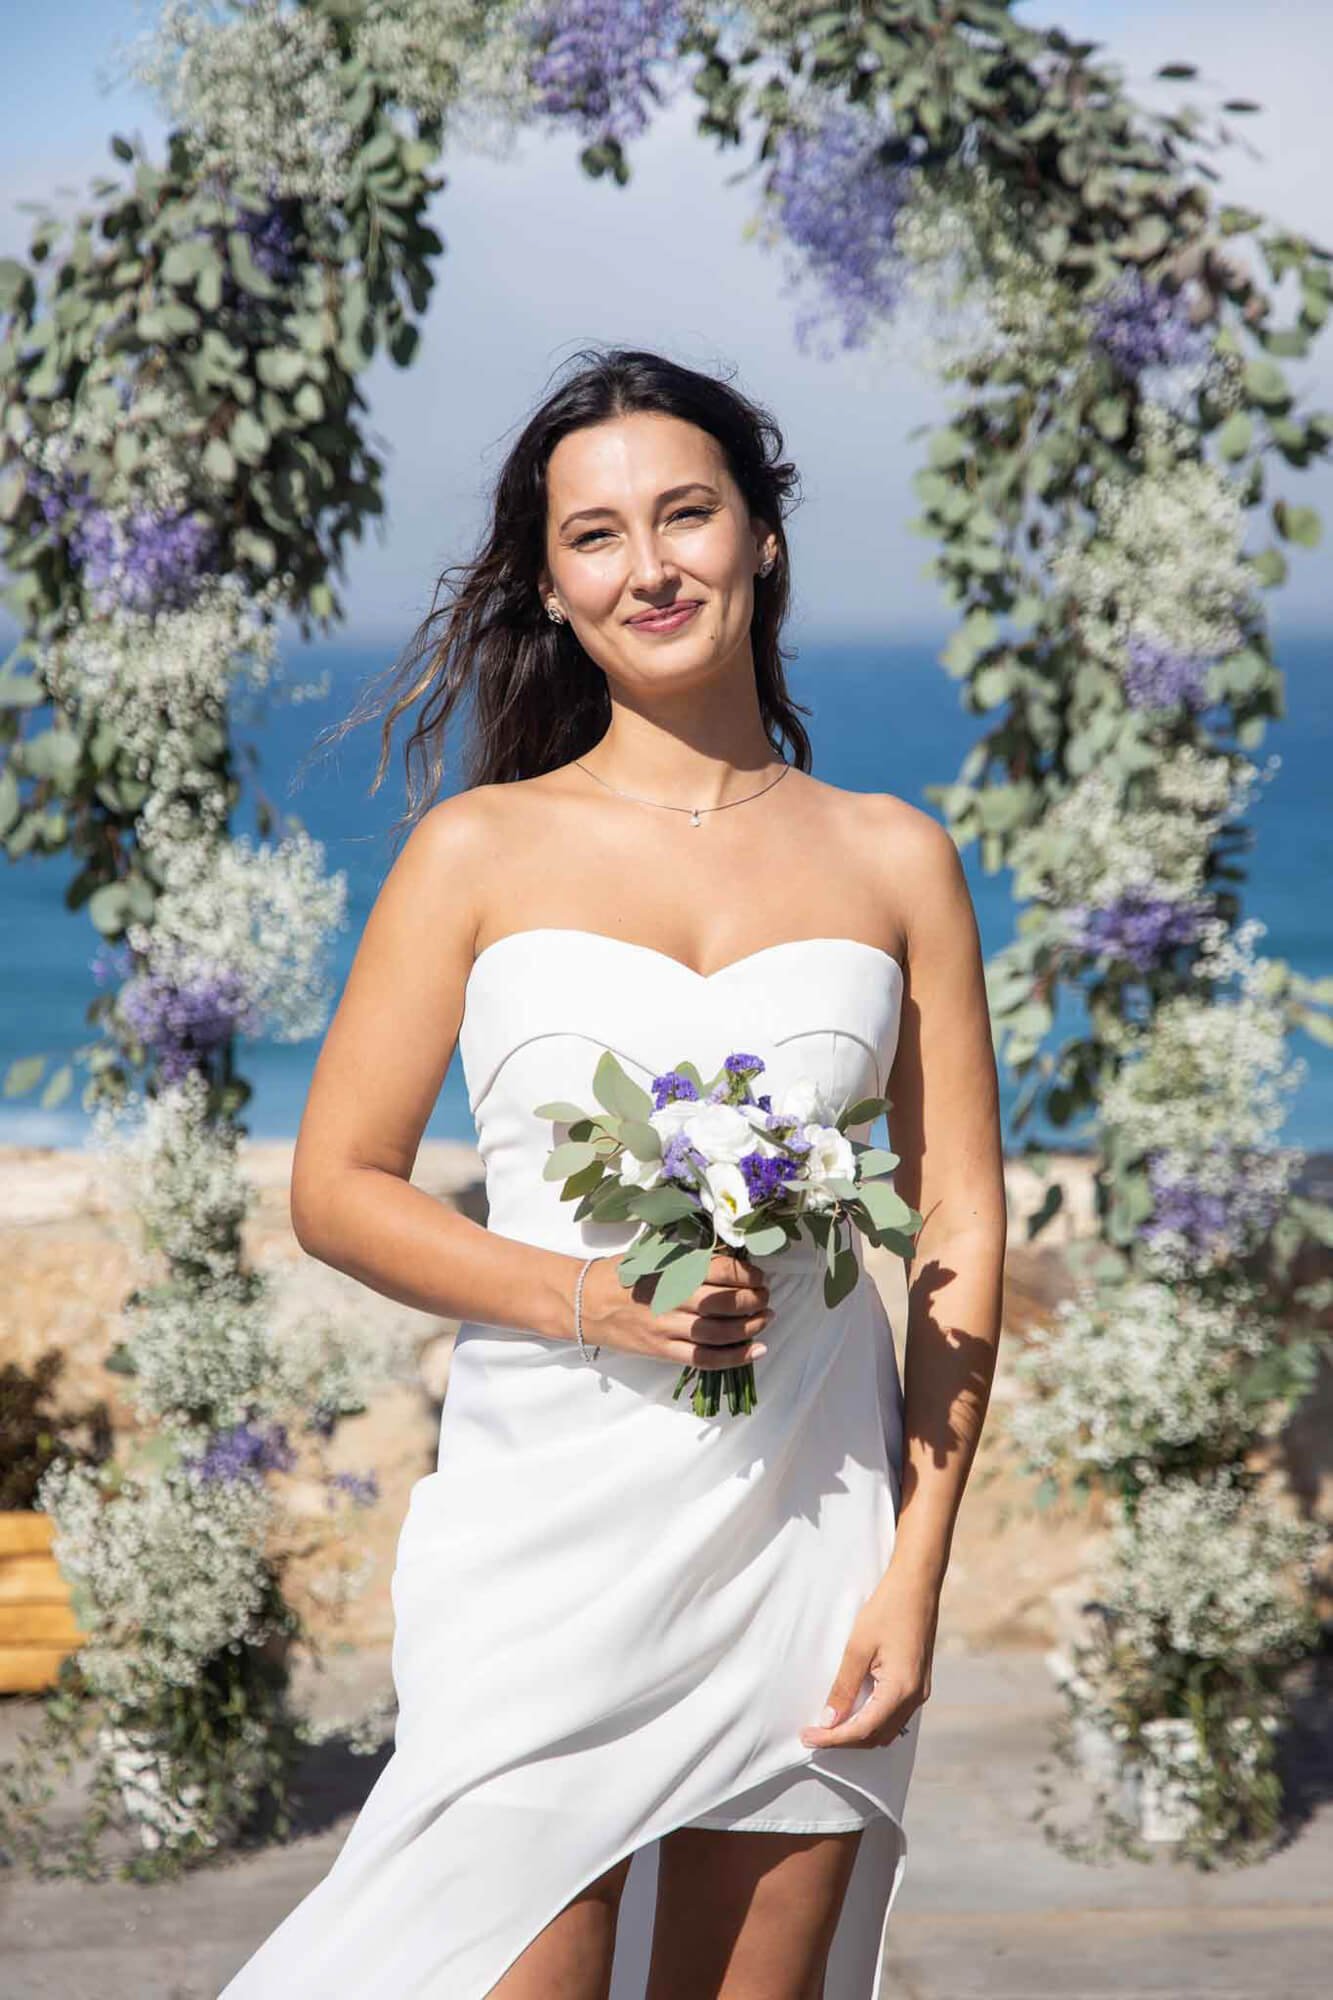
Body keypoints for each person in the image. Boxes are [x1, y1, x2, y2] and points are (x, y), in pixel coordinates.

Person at [219, 345, 1007, 2000]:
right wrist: (589, 1298)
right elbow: (340, 1185)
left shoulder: (895, 857)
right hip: (539, 1533)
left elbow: (958, 1222)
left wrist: (915, 1574)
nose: (648, 565)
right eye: (595, 536)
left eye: (686, 515)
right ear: (549, 583)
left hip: (807, 1526)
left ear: (761, 540)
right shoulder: (474, 853)